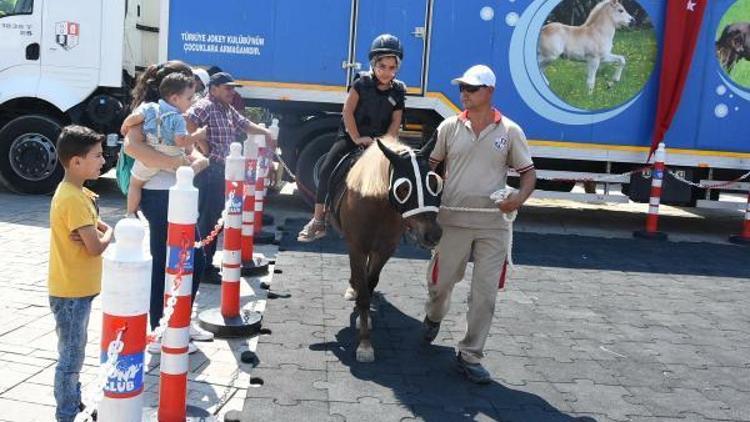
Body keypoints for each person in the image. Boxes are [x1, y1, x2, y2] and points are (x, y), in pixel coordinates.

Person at [422, 65, 536, 384]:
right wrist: (428, 197)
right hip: (452, 221)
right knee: (440, 285)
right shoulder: (447, 128)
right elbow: (429, 168)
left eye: (472, 88)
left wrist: (518, 199)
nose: (464, 94)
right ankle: (433, 317)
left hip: (493, 225)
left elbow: (528, 174)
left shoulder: (510, 131)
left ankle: (470, 354)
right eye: (462, 88)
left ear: (490, 92)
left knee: (485, 294)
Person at [123, 61, 214, 352]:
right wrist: (179, 164)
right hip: (158, 195)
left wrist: (194, 162)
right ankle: (159, 328)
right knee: (166, 261)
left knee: (193, 260)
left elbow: (192, 152)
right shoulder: (146, 112)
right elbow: (132, 146)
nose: (193, 98)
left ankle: (181, 320)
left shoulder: (176, 112)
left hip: (180, 195)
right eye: (189, 91)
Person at [297, 34, 406, 242]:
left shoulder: (399, 90)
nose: (387, 72)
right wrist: (357, 138)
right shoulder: (361, 83)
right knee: (327, 167)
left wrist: (386, 142)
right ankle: (318, 220)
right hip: (351, 136)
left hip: (381, 142)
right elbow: (347, 112)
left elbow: (396, 121)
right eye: (382, 66)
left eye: (392, 68)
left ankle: (403, 221)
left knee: (403, 171)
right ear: (374, 64)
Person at [48, 125, 113, 421]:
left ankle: (73, 402)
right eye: (97, 156)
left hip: (76, 289)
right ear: (76, 162)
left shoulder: (79, 192)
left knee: (74, 352)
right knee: (71, 357)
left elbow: (92, 232)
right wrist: (109, 231)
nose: (103, 161)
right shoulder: (73, 198)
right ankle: (66, 413)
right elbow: (96, 246)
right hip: (71, 292)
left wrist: (99, 231)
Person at [187, 71, 275, 282]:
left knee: (215, 219)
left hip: (221, 170)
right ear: (214, 89)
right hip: (210, 170)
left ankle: (205, 264)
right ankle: (203, 268)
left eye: (233, 88)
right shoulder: (205, 106)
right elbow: (188, 122)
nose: (231, 92)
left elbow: (244, 124)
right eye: (227, 88)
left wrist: (266, 134)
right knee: (208, 221)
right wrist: (202, 145)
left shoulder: (226, 108)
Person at [123, 72, 208, 217]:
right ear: (175, 98)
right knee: (189, 173)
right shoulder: (179, 119)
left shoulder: (150, 107)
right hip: (173, 155)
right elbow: (181, 141)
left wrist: (125, 126)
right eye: (189, 98)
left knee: (135, 184)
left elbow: (133, 118)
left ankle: (130, 213)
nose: (192, 101)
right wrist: (198, 135)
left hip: (149, 157)